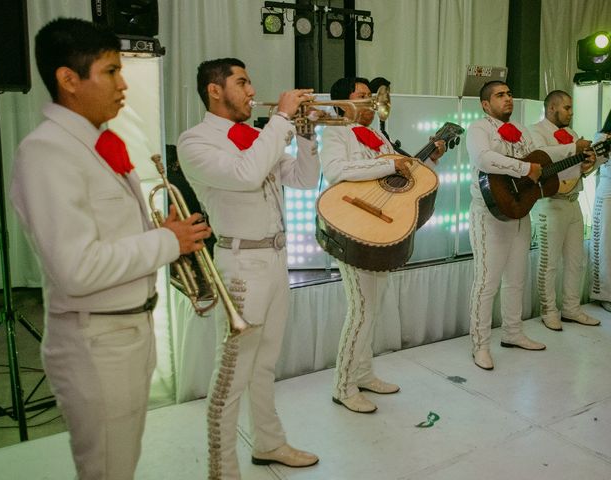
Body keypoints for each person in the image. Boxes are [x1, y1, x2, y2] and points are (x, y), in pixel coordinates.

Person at [10, 18, 212, 480]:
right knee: (106, 470)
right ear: (68, 80)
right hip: (95, 342)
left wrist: (160, 231)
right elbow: (77, 268)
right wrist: (166, 240)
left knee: (121, 463)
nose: (123, 85)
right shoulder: (47, 151)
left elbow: (108, 237)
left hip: (124, 332)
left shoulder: (92, 144)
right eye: (110, 72)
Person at [177, 58, 320, 480]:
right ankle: (222, 470)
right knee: (231, 376)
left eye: (250, 80)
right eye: (242, 82)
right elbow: (245, 174)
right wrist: (280, 119)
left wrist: (308, 135)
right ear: (214, 90)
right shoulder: (195, 141)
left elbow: (304, 179)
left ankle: (270, 443)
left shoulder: (258, 136)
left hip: (276, 260)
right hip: (241, 265)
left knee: (265, 363)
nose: (252, 89)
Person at [320, 77, 445, 413]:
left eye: (371, 97)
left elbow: (402, 174)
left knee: (373, 309)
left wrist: (429, 160)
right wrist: (387, 163)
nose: (371, 103)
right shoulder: (335, 132)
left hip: (378, 229)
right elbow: (334, 171)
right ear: (343, 103)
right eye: (362, 97)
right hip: (351, 226)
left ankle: (363, 372)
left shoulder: (379, 137)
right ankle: (343, 385)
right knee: (361, 310)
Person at [466, 81, 569, 370]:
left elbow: (542, 157)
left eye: (510, 93)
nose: (508, 98)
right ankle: (480, 345)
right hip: (489, 214)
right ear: (486, 105)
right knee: (486, 283)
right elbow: (483, 159)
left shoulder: (522, 130)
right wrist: (525, 169)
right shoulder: (479, 129)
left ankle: (512, 332)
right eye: (500, 95)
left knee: (516, 279)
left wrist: (576, 152)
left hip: (520, 210)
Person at [530, 90, 600, 331]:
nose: (571, 113)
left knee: (576, 260)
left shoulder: (571, 133)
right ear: (552, 109)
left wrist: (589, 163)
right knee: (548, 262)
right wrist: (573, 148)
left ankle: (571, 308)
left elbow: (577, 169)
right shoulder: (535, 132)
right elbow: (542, 161)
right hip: (550, 203)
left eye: (571, 108)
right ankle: (548, 310)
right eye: (567, 108)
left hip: (573, 201)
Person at [591, 120, 611, 312]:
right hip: (608, 194)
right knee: (605, 245)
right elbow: (589, 163)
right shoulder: (603, 137)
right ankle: (605, 295)